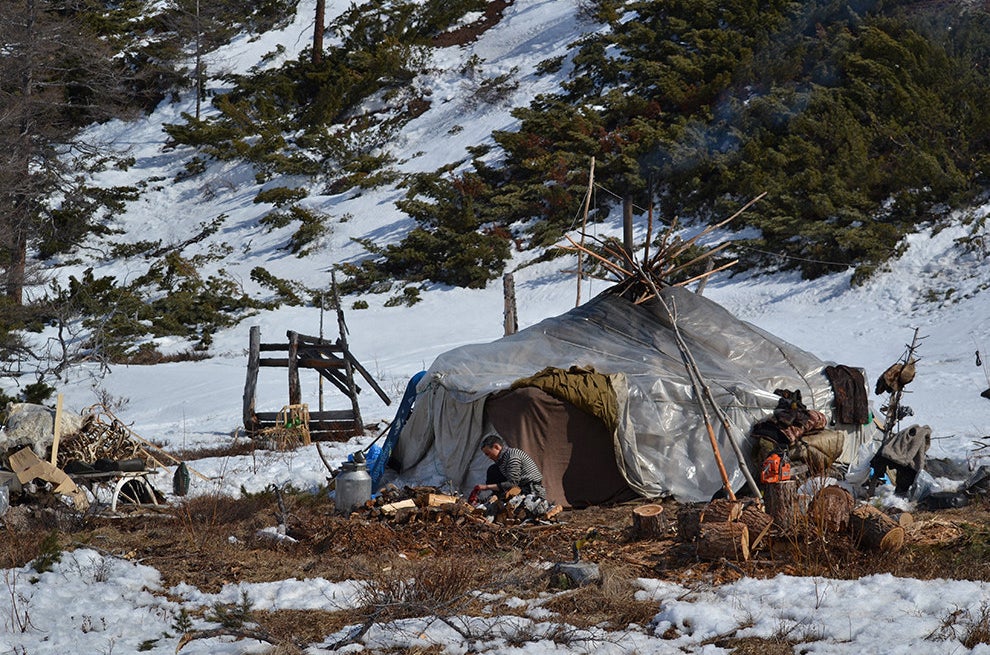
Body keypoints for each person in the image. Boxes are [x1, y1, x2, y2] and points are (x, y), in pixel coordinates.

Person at [478, 433, 546, 499]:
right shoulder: (502, 460)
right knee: (493, 470)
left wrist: (486, 487)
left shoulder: (512, 456)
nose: (489, 457)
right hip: (522, 489)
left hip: (532, 492)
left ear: (496, 447)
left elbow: (513, 483)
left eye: (488, 454)